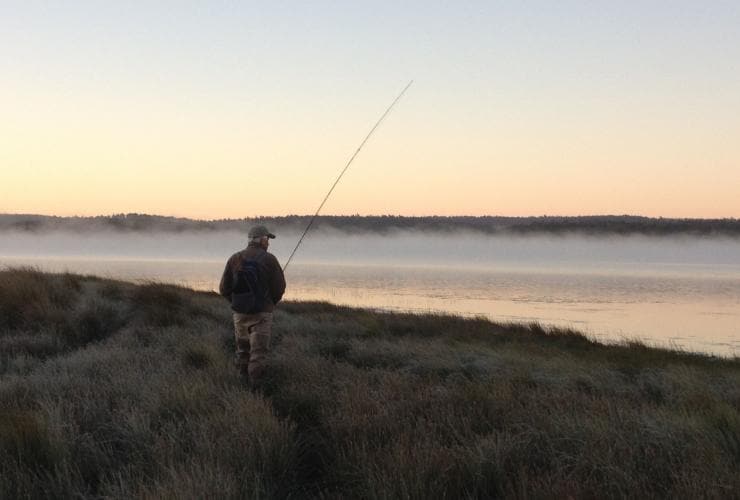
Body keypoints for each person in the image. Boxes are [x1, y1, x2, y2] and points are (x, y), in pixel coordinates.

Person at [219, 225, 286, 388]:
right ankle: (256, 392)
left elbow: (223, 289)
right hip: (262, 314)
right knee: (258, 355)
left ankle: (241, 387)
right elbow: (280, 287)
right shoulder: (270, 259)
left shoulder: (234, 258)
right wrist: (271, 303)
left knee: (242, 352)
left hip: (239, 314)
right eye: (268, 239)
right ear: (262, 239)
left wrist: (236, 303)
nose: (268, 243)